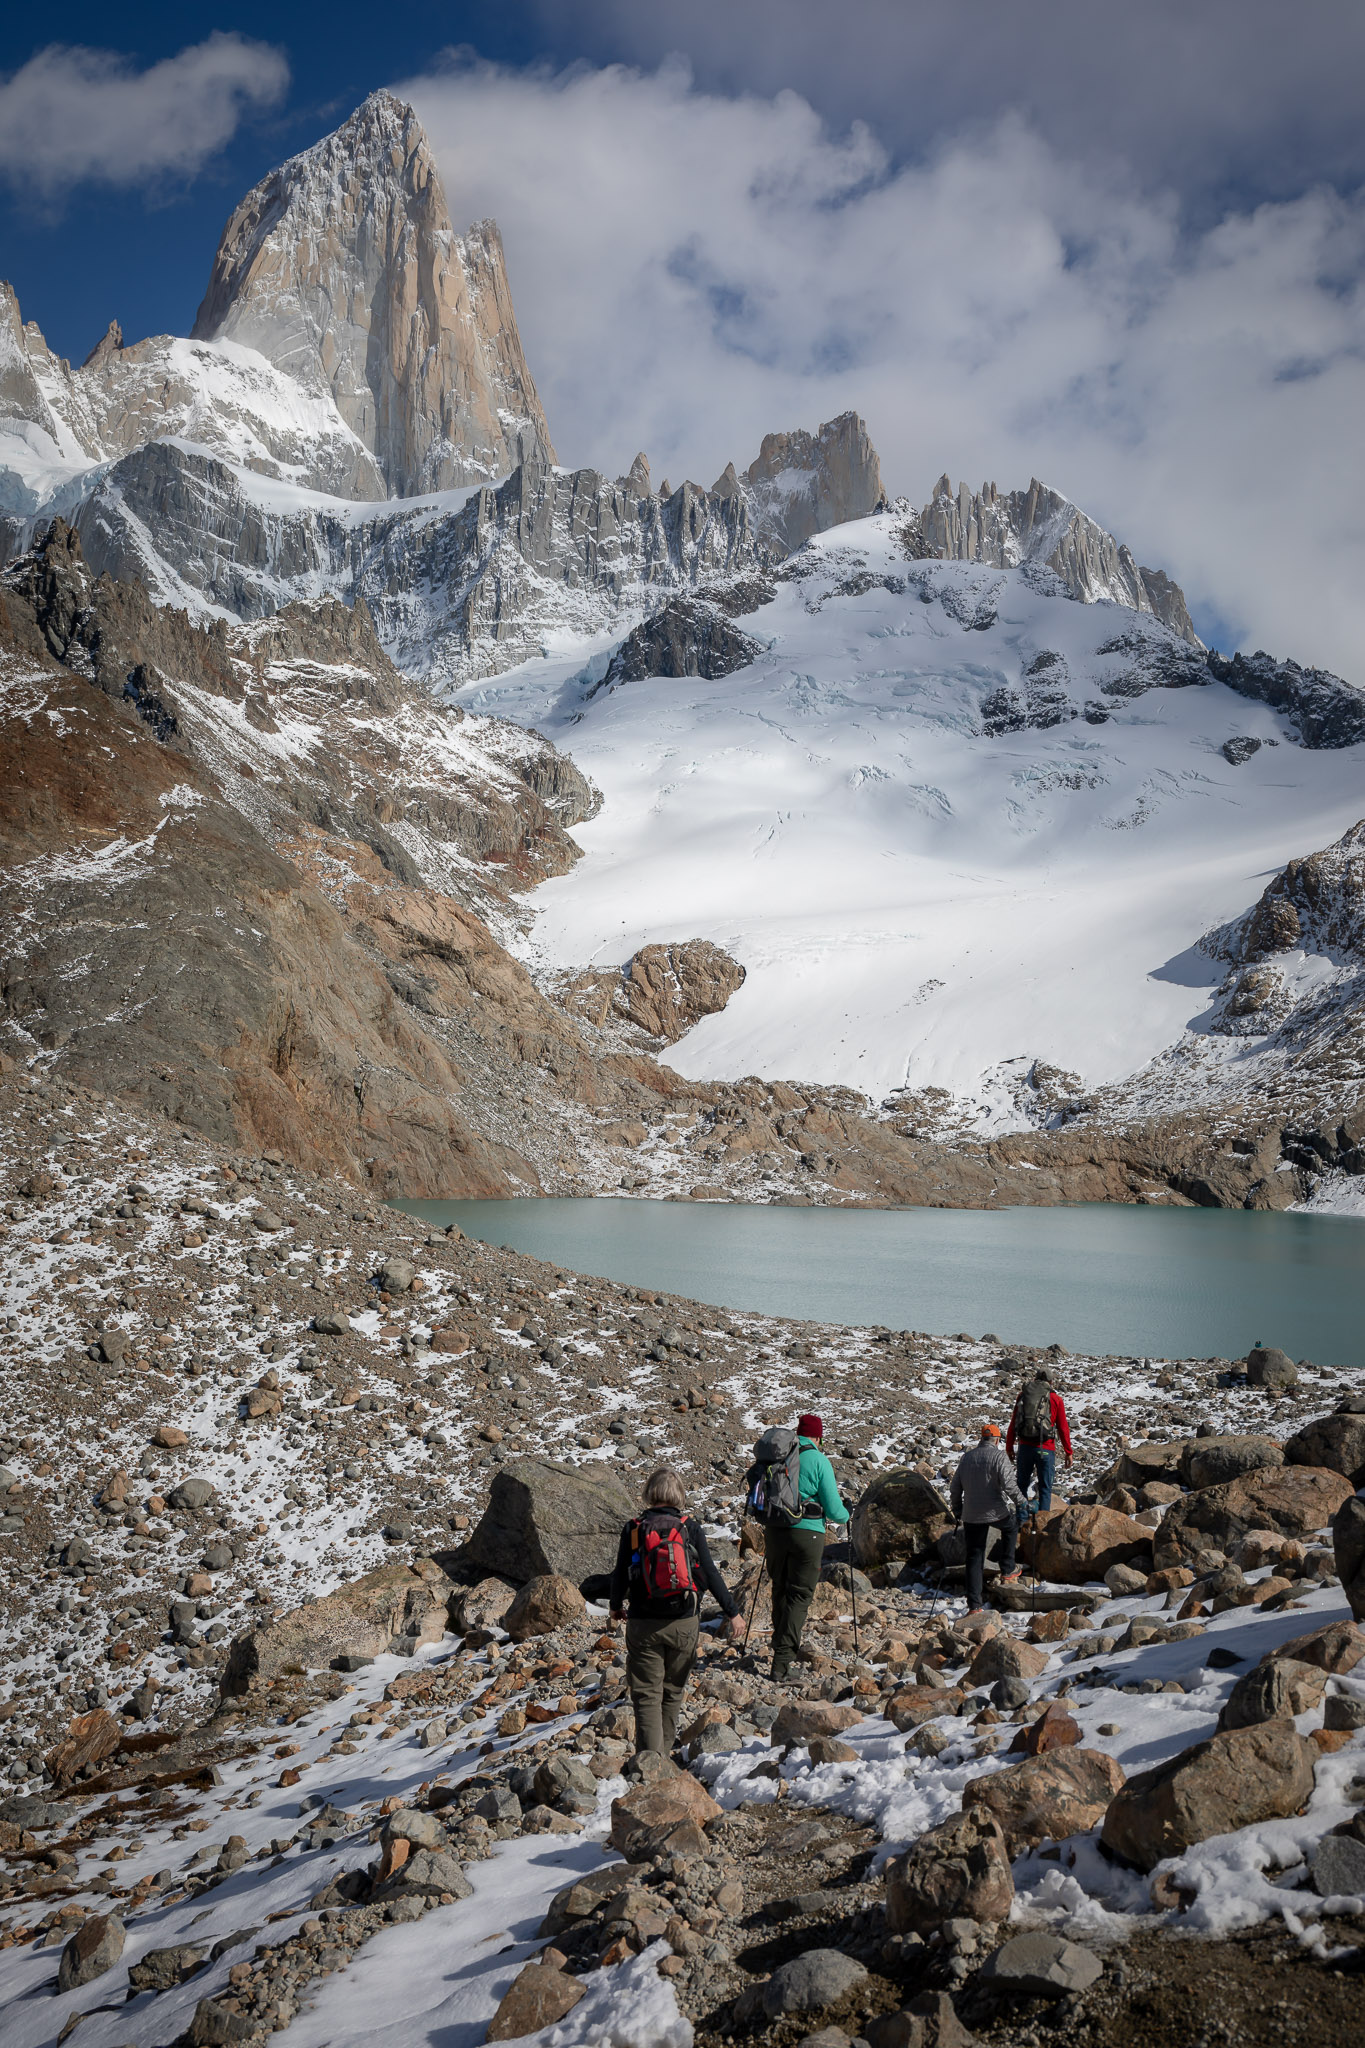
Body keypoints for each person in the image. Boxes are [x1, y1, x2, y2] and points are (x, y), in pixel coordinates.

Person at [609, 1465, 745, 1755]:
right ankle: (665, 1758)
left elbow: (621, 1573)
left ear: (649, 1493)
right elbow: (710, 1573)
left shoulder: (633, 1528)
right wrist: (732, 1612)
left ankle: (649, 1763)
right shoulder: (690, 1528)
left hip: (643, 1621)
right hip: (683, 1621)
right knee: (672, 1693)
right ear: (679, 1495)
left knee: (646, 1696)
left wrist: (615, 1606)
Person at [760, 1413, 849, 1683]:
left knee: (780, 1587)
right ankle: (783, 1664)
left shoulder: (778, 1455)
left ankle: (780, 1645)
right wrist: (847, 1514)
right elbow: (834, 1511)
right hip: (807, 1535)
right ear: (819, 1436)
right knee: (799, 1596)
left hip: (774, 1531)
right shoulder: (819, 1460)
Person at [950, 1423, 1028, 1614]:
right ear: (997, 1440)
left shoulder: (967, 1457)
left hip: (971, 1514)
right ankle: (1008, 1570)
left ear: (981, 1438)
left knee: (974, 1556)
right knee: (1010, 1527)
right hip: (995, 1511)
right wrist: (1022, 1502)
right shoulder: (999, 1456)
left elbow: (955, 1488)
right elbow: (1009, 1485)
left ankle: (974, 1606)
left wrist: (957, 1509)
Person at [1006, 1365, 1073, 1521]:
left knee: (1021, 1485)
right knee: (1045, 1488)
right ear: (1051, 1382)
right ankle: (1043, 1523)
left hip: (1025, 1447)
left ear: (1035, 1379)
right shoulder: (1056, 1399)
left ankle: (1022, 1521)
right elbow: (1063, 1428)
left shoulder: (1023, 1395)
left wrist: (1009, 1447)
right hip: (1046, 1449)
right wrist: (1068, 1452)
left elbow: (1013, 1423)